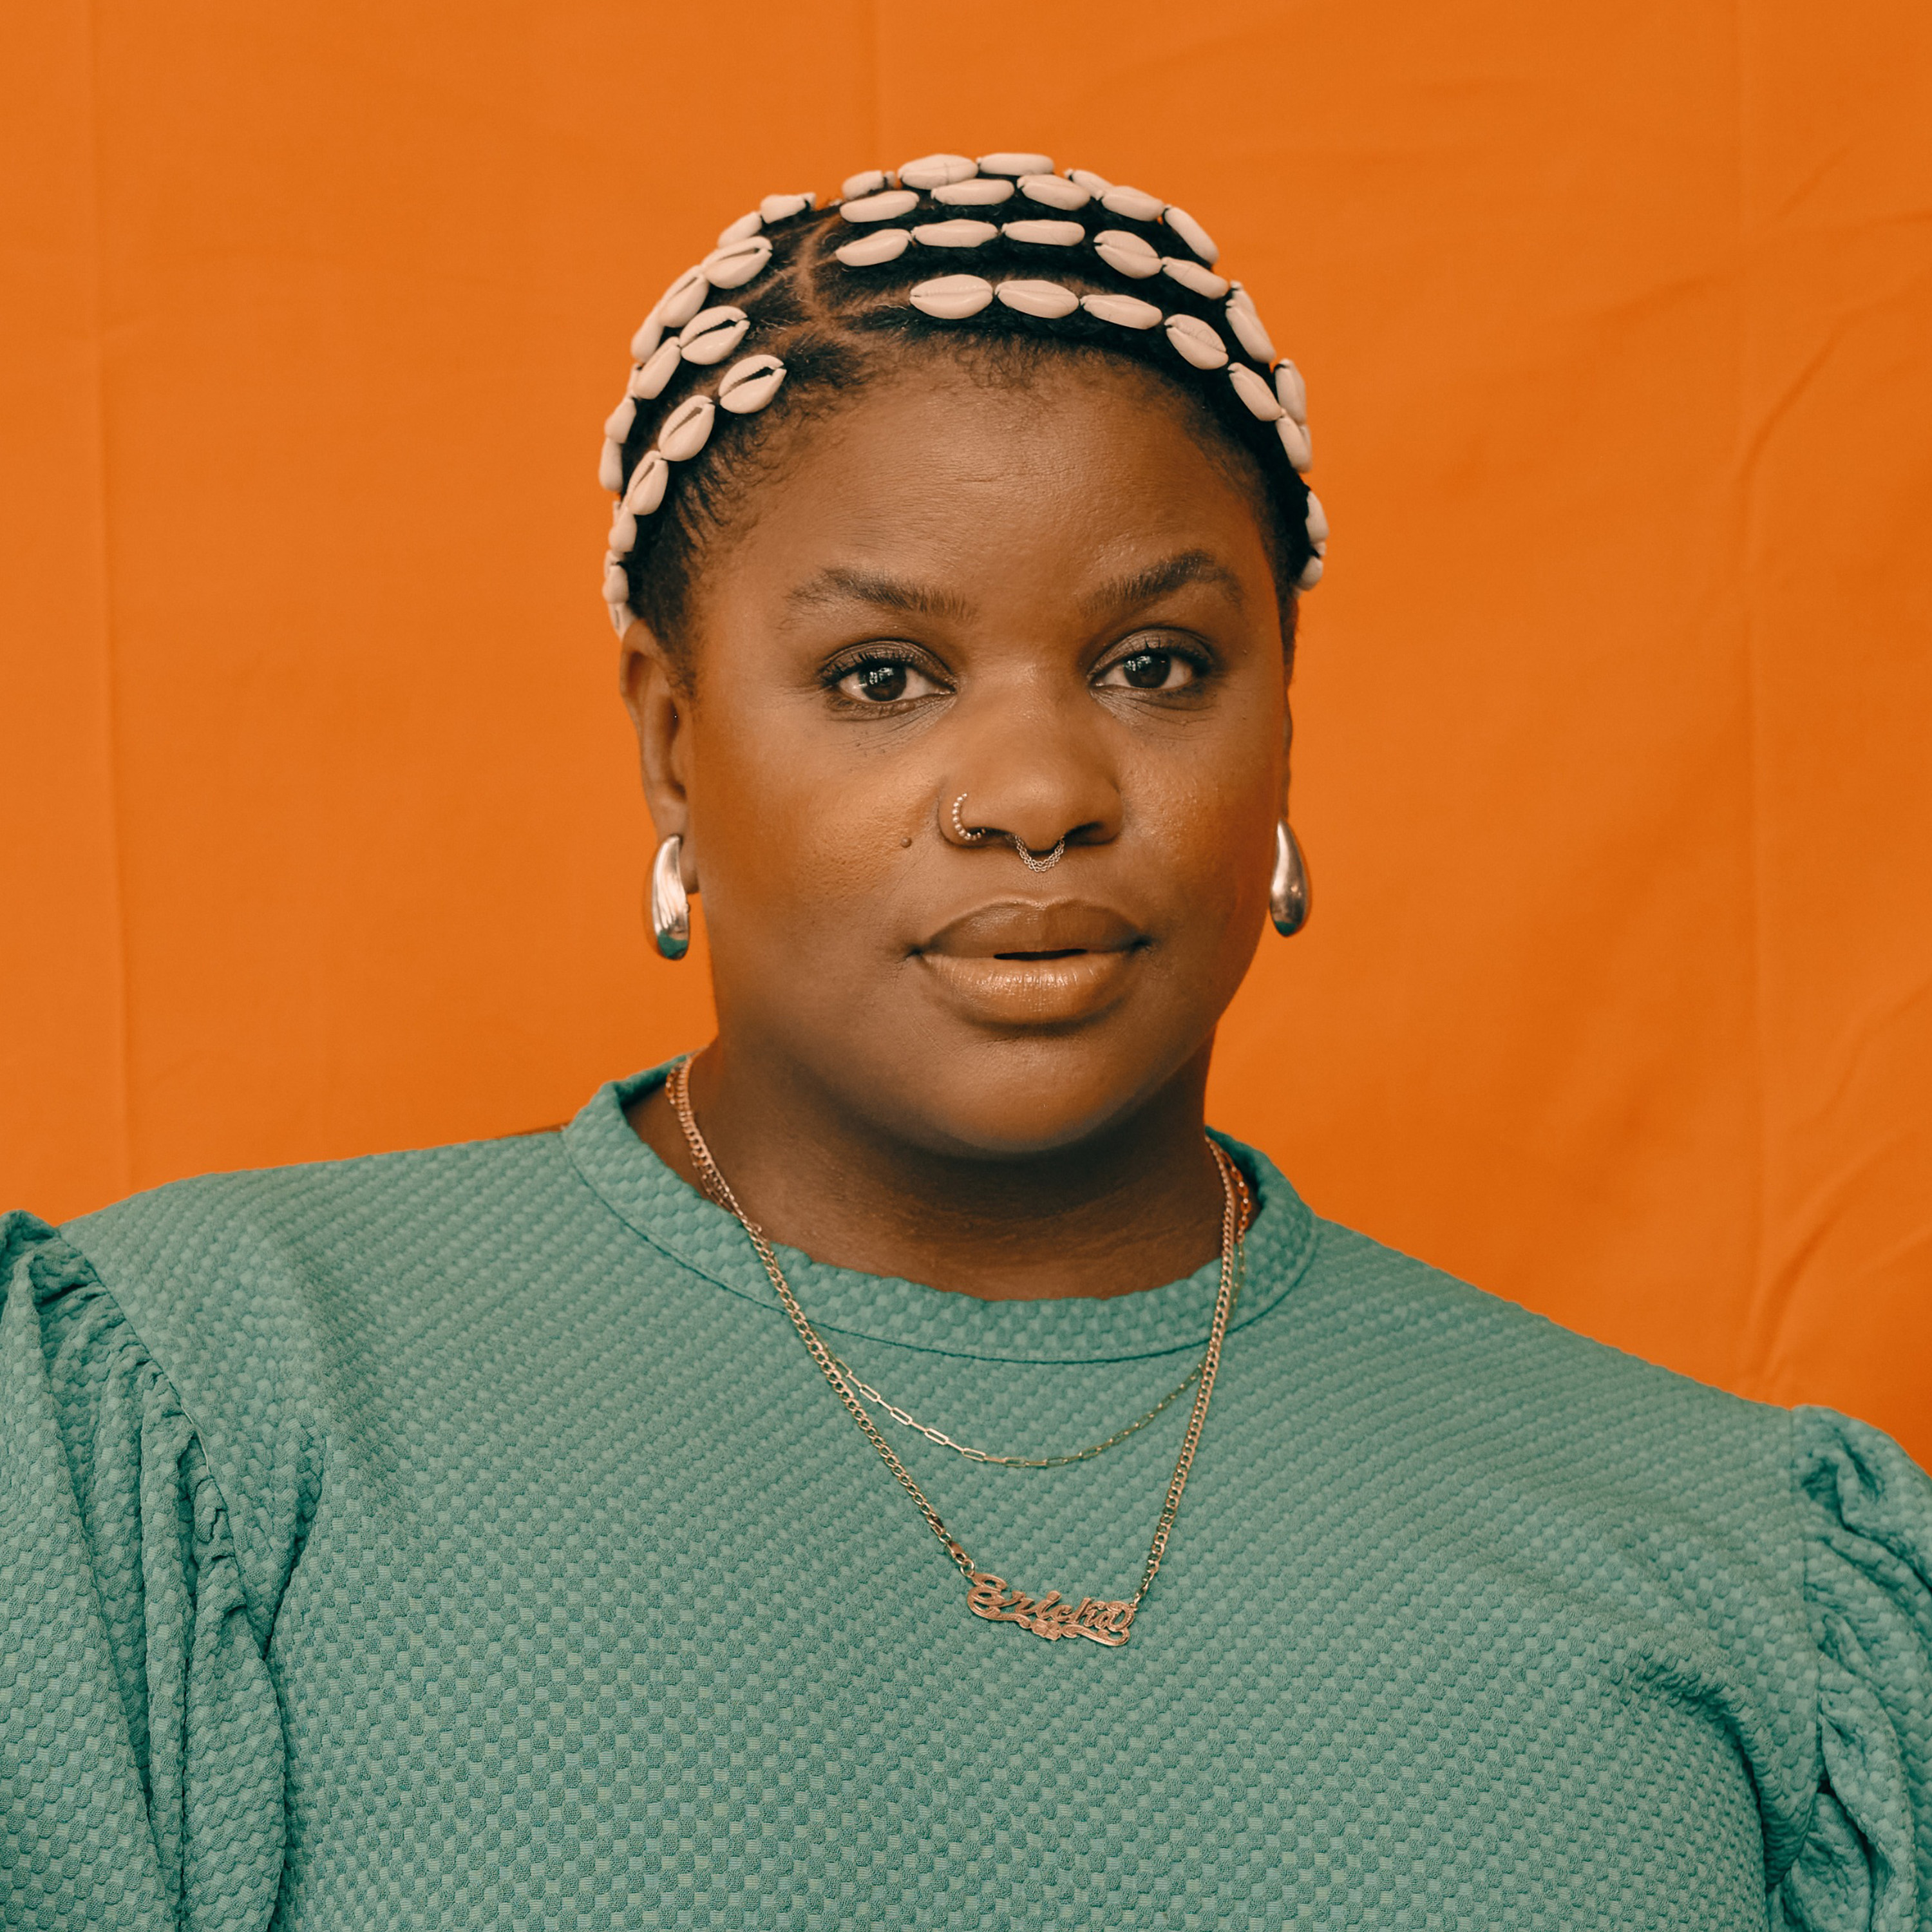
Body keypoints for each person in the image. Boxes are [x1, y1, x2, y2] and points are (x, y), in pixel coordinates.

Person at [3, 150, 1928, 1931]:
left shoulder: (1761, 1573)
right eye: (884, 677)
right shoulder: (197, 1430)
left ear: (1284, 721)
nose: (1035, 790)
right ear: (673, 737)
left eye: (1155, 664)